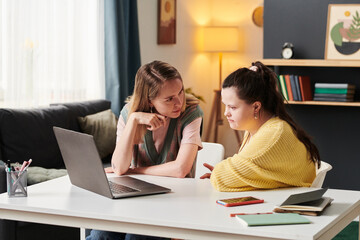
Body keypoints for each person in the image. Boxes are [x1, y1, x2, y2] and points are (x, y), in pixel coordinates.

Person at [86, 60, 203, 240]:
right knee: (101, 235)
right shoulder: (128, 114)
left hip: (174, 200)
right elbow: (119, 167)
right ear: (149, 100)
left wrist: (135, 170)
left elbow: (181, 169)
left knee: (137, 237)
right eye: (169, 98)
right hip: (134, 198)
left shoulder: (191, 112)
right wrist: (133, 120)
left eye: (180, 92)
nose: (179, 102)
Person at [201, 61, 320, 192]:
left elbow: (223, 179)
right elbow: (251, 176)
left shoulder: (273, 134)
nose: (226, 113)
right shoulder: (257, 128)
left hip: (287, 206)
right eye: (225, 105)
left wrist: (220, 172)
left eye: (233, 107)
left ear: (256, 106)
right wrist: (225, 173)